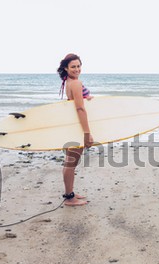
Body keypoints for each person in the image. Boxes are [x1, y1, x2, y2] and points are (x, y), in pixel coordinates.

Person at [57, 53, 94, 206]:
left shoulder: (68, 82)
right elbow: (79, 108)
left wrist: (87, 99)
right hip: (78, 127)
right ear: (66, 68)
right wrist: (87, 133)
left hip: (74, 125)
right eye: (73, 66)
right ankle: (69, 198)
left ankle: (70, 193)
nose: (77, 69)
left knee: (70, 161)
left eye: (79, 66)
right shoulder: (76, 83)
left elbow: (73, 103)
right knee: (71, 162)